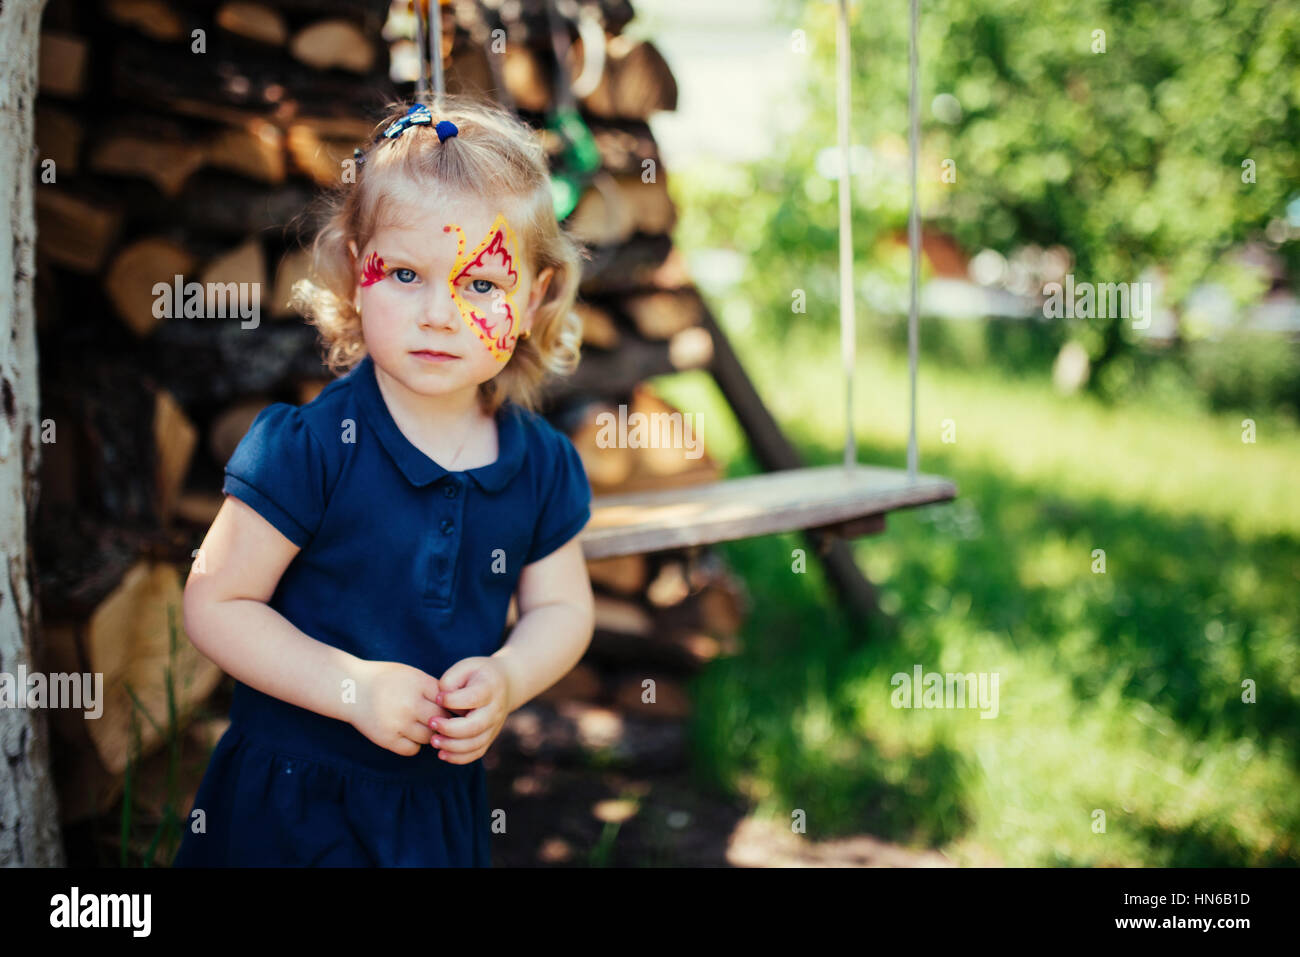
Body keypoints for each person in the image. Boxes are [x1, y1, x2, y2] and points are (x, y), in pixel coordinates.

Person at [172, 96, 595, 867]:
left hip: (432, 812)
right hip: (292, 808)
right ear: (356, 270)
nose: (439, 312)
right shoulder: (309, 449)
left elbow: (563, 608)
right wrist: (351, 688)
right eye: (404, 273)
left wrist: (508, 675)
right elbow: (215, 601)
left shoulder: (539, 464)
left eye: (479, 285)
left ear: (532, 299)